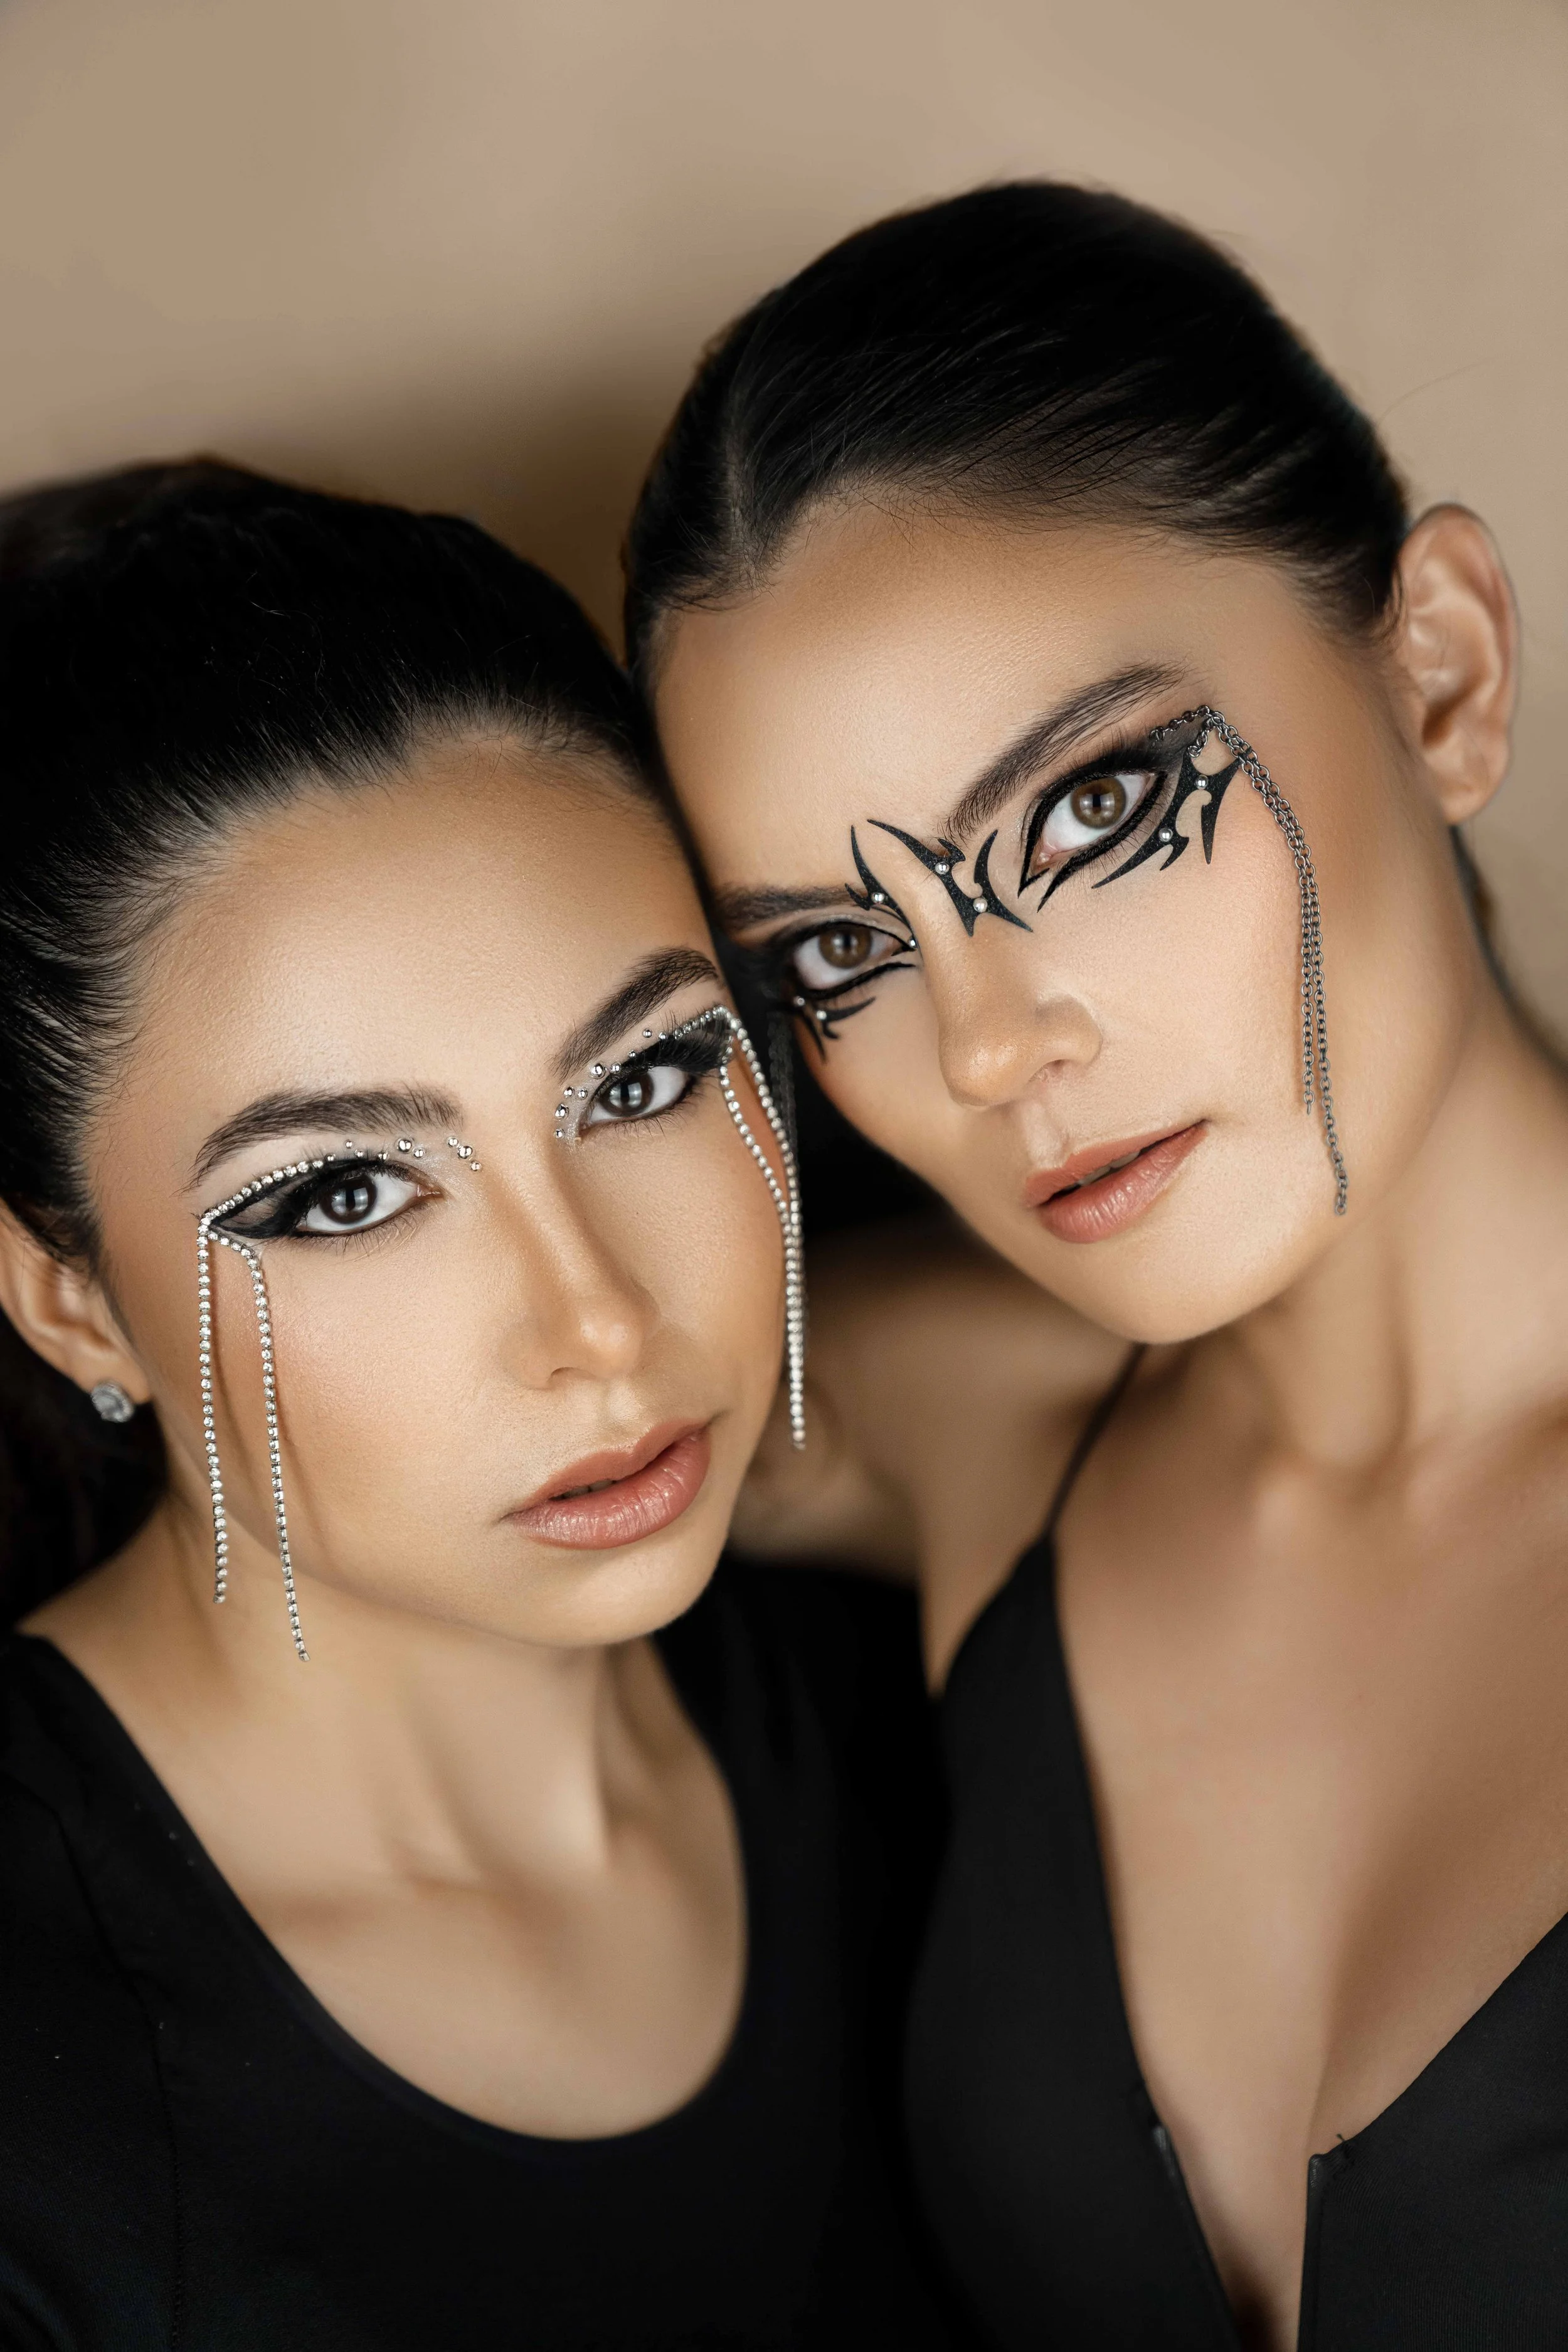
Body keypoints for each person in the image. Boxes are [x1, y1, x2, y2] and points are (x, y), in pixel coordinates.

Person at [625, 181, 1568, 2350]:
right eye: (838, 954)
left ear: (1436, 672)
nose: (983, 1047)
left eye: (1084, 811)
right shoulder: (969, 1417)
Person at [0, 462, 955, 2350]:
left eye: (645, 1077)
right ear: (73, 1299)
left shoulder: (919, 1705)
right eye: (343, 1192)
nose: (598, 1320)